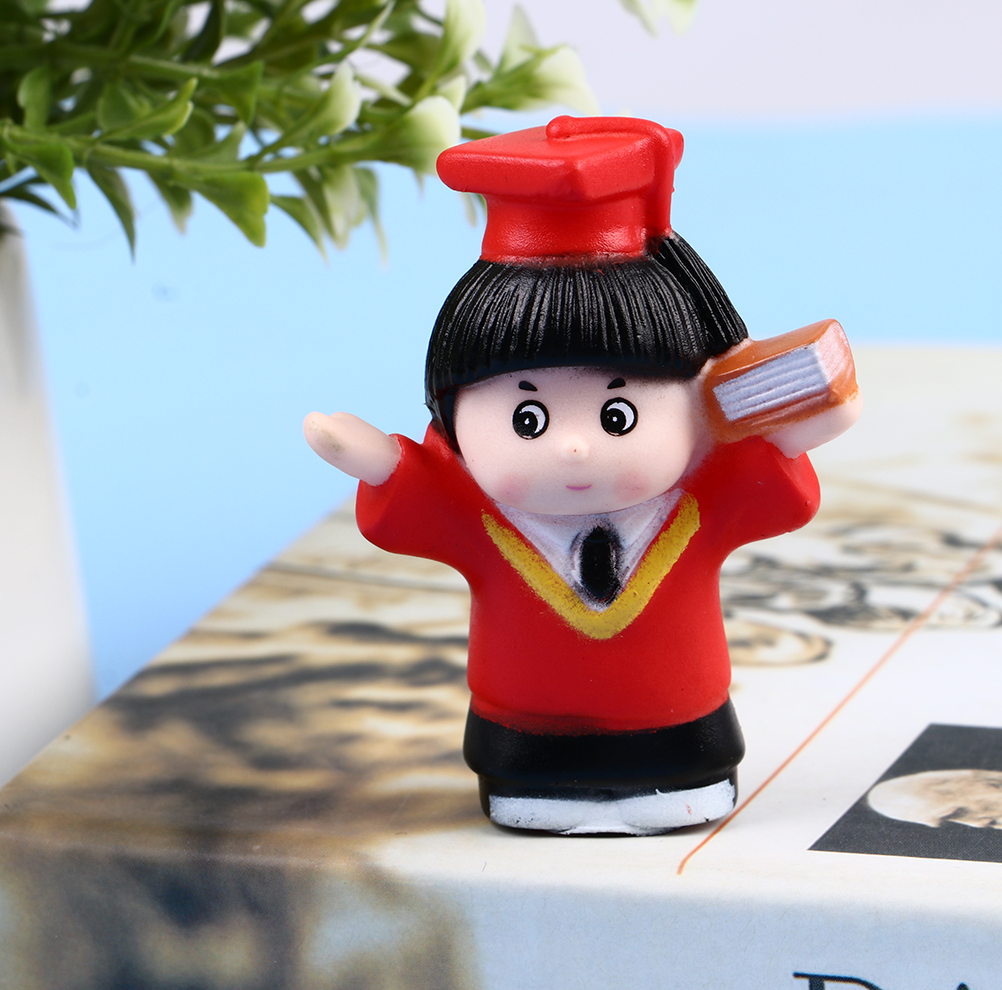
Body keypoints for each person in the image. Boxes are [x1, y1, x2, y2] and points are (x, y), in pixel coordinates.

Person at [305, 116, 861, 835]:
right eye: (527, 419)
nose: (573, 449)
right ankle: (535, 785)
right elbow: (418, 495)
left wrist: (795, 425)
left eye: (617, 416)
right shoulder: (476, 512)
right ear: (453, 413)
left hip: (678, 718)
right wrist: (381, 464)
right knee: (529, 777)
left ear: (695, 405)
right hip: (523, 724)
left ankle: (679, 782)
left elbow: (775, 486)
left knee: (680, 768)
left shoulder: (699, 496)